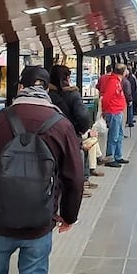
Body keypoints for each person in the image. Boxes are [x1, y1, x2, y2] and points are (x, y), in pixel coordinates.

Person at [0, 67, 84, 274]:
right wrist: (69, 216)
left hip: (0, 220)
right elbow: (75, 178)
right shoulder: (61, 125)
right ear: (47, 89)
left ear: (20, 87)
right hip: (40, 221)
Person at [48, 65, 102, 198]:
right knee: (74, 161)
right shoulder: (72, 94)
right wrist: (81, 130)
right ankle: (77, 187)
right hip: (70, 132)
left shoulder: (48, 94)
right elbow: (83, 116)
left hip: (50, 133)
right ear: (67, 77)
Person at [98, 63, 130, 167]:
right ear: (123, 72)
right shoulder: (113, 82)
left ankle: (118, 155)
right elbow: (106, 98)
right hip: (113, 111)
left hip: (118, 111)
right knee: (114, 135)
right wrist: (105, 110)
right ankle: (110, 157)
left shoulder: (116, 81)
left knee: (119, 135)